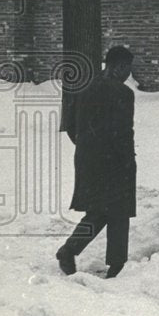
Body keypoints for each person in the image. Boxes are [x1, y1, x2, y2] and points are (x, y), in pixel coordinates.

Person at [56, 46, 136, 278]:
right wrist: (127, 161)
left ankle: (68, 251)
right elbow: (123, 132)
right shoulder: (123, 93)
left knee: (99, 211)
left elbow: (70, 125)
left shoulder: (85, 88)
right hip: (114, 162)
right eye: (127, 69)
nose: (127, 75)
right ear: (120, 66)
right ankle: (117, 265)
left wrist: (87, 147)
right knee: (119, 211)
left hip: (87, 160)